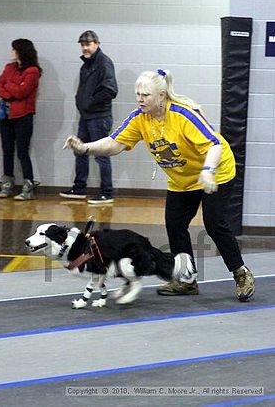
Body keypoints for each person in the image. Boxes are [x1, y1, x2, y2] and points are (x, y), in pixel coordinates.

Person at [63, 69, 255, 302]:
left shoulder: (183, 115)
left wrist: (207, 171)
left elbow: (214, 144)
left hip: (216, 171)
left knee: (214, 224)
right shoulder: (139, 118)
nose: (140, 99)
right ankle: (186, 280)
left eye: (146, 94)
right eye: (137, 94)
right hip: (182, 179)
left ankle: (240, 273)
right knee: (175, 224)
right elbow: (115, 143)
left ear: (162, 96)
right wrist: (85, 148)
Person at [59, 30, 118, 205]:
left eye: (88, 44)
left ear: (97, 44)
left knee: (101, 154)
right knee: (80, 150)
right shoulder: (87, 64)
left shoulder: (103, 62)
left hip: (99, 117)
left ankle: (107, 192)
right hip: (87, 116)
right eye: (83, 44)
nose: (85, 47)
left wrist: (90, 102)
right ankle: (79, 188)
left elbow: (111, 89)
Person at [0, 38, 42, 201]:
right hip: (6, 116)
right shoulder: (9, 67)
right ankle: (7, 184)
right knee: (7, 151)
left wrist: (9, 87)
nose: (11, 52)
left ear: (21, 51)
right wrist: (10, 91)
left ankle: (28, 186)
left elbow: (23, 92)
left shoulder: (33, 71)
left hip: (23, 116)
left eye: (14, 49)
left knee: (22, 152)